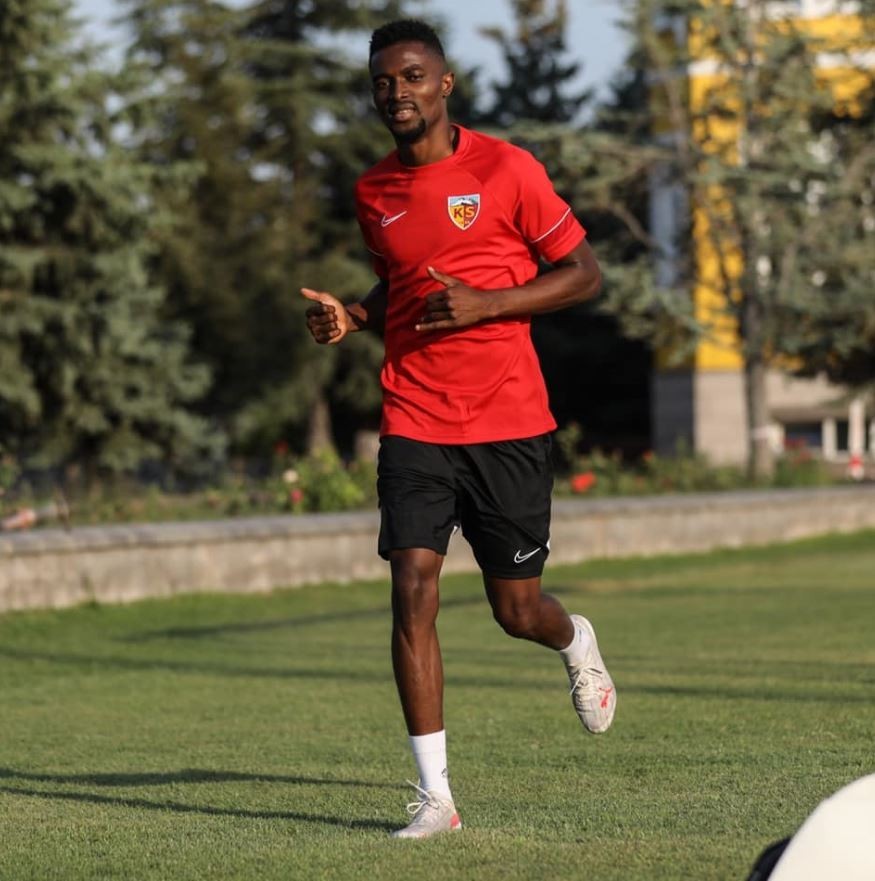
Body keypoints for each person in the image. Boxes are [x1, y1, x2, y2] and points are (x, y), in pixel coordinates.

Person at [302, 18, 615, 839]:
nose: (396, 92)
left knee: (517, 610)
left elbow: (583, 274)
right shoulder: (374, 192)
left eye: (411, 76)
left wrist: (490, 303)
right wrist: (352, 316)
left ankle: (573, 639)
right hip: (414, 415)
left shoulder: (507, 169)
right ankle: (435, 797)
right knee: (411, 586)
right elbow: (402, 288)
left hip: (508, 420)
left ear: (444, 84)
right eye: (382, 81)